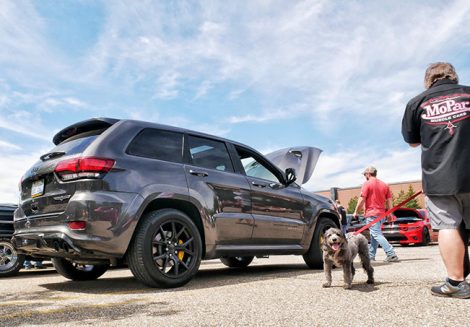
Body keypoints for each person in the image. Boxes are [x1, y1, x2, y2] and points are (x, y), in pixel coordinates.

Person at [402, 62, 470, 299]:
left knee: (448, 226)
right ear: (453, 76)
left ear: (428, 80)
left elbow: (412, 141)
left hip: (439, 177)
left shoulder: (417, 103)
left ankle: (456, 283)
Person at [353, 166, 398, 262]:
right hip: (382, 215)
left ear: (368, 174)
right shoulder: (385, 185)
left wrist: (356, 211)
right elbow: (390, 201)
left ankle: (391, 254)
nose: (365, 176)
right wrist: (390, 214)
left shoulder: (367, 183)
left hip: (372, 214)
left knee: (376, 234)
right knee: (374, 235)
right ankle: (371, 255)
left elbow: (362, 199)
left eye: (365, 174)